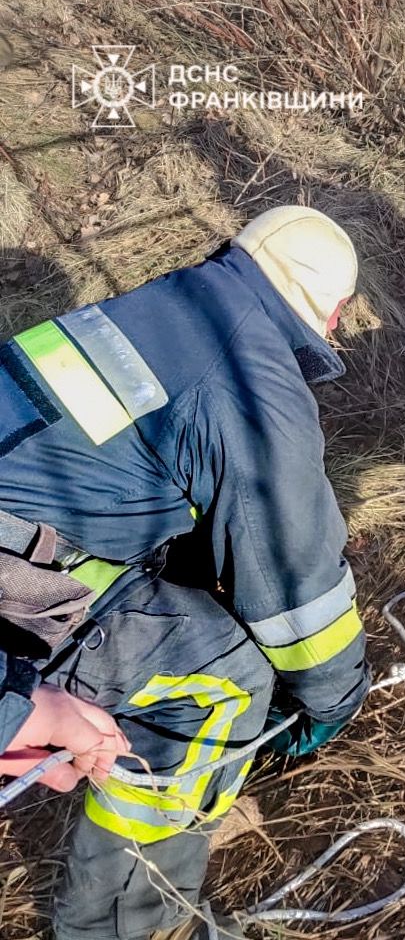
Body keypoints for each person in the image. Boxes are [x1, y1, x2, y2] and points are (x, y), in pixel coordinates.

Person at [0, 206, 371, 940]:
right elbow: (298, 589)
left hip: (21, 530)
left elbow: (124, 471)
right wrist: (331, 702)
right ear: (331, 314)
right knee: (224, 681)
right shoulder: (253, 376)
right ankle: (126, 922)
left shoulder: (152, 306)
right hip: (17, 569)